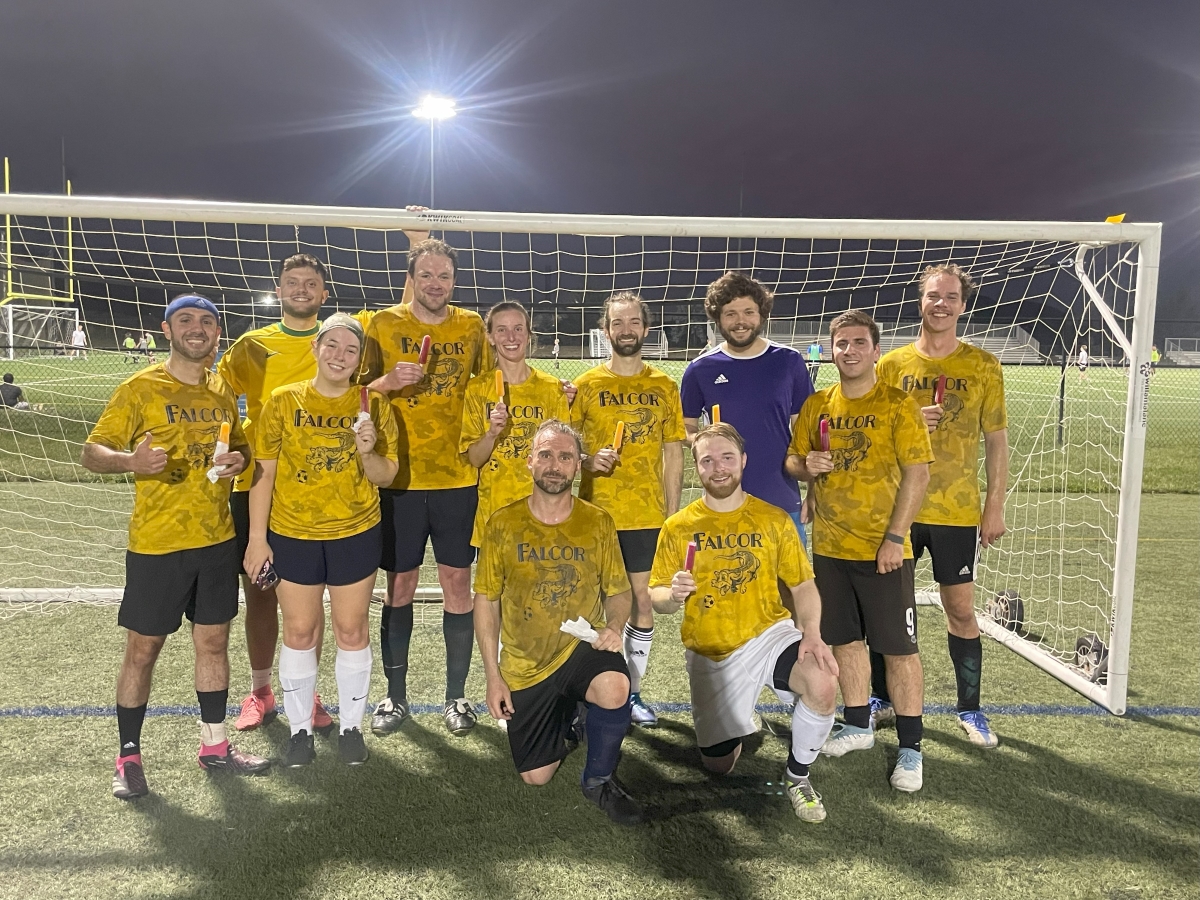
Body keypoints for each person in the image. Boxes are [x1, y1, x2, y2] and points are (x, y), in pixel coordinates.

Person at [81, 293, 271, 800]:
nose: (197, 328)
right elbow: (92, 452)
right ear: (166, 330)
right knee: (143, 650)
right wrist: (129, 464)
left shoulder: (223, 389)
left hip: (216, 543)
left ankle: (214, 745)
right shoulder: (139, 388)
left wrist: (237, 461)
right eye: (185, 320)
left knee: (213, 644)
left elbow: (243, 448)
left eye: (207, 322)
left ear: (216, 333)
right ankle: (128, 756)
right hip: (158, 545)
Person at [649, 423, 838, 822]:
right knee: (719, 765)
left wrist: (814, 635)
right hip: (712, 650)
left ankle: (797, 777)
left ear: (743, 462)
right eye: (707, 460)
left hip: (769, 633)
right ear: (695, 469)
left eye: (727, 458)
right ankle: (740, 721)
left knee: (821, 679)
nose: (718, 468)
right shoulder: (678, 527)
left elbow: (803, 585)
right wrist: (673, 594)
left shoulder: (771, 519)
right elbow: (656, 599)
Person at [785, 309, 932, 792]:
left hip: (883, 549)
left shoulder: (897, 404)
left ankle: (911, 749)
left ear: (875, 350)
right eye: (840, 343)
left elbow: (918, 473)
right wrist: (807, 465)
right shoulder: (817, 405)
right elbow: (792, 460)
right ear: (831, 350)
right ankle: (857, 725)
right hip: (829, 547)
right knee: (844, 641)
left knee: (898, 648)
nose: (849, 351)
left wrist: (895, 537)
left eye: (858, 343)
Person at [243, 314, 400, 768]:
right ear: (315, 348)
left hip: (356, 532)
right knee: (300, 632)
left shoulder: (372, 404)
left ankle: (351, 727)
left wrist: (368, 452)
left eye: (350, 350)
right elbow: (264, 471)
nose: (340, 356)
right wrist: (257, 539)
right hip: (293, 534)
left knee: (352, 630)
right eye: (332, 345)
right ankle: (299, 733)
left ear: (360, 360)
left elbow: (388, 476)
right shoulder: (283, 400)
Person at [472, 420, 643, 825]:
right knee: (536, 777)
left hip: (578, 647)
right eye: (546, 455)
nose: (554, 465)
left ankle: (599, 780)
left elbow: (619, 591)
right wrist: (493, 675)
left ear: (578, 466)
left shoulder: (597, 521)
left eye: (565, 457)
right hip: (526, 662)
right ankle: (573, 716)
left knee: (615, 686)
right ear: (529, 462)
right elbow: (486, 601)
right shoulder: (502, 523)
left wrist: (614, 627)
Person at [358, 238, 495, 737]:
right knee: (400, 587)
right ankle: (395, 699)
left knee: (459, 588)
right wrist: (386, 382)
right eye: (427, 275)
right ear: (411, 278)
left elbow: (492, 385)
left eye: (445, 276)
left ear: (454, 281)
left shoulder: (471, 326)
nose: (436, 284)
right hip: (400, 478)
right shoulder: (383, 324)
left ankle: (455, 697)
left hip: (459, 477)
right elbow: (354, 389)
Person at [873, 264, 1008, 749]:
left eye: (951, 297)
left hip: (955, 511)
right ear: (921, 301)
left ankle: (970, 708)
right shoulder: (891, 367)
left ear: (962, 305)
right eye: (933, 296)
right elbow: (872, 436)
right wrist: (908, 419)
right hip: (897, 511)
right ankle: (878, 697)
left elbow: (996, 441)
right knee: (885, 608)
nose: (941, 304)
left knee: (960, 609)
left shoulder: (983, 366)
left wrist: (994, 506)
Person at [217, 253, 339, 735]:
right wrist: (226, 450)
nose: (303, 290)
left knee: (312, 599)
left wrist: (417, 239)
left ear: (324, 293)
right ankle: (263, 690)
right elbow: (217, 398)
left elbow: (407, 307)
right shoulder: (252, 345)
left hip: (321, 492)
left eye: (312, 283)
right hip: (260, 487)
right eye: (294, 283)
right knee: (261, 593)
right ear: (280, 289)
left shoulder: (340, 341)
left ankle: (307, 692)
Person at [570, 292, 684, 727]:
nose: (626, 330)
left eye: (634, 322)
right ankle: (585, 691)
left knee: (641, 601)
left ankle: (632, 692)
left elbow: (674, 453)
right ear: (606, 330)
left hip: (646, 517)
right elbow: (567, 448)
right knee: (590, 602)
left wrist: (672, 515)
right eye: (618, 323)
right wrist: (586, 460)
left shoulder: (663, 386)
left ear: (646, 329)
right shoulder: (585, 386)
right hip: (594, 515)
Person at [681, 272, 815, 548]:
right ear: (717, 318)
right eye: (730, 314)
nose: (740, 321)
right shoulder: (700, 369)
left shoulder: (788, 362)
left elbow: (808, 435)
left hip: (780, 498)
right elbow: (685, 426)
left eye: (748, 312)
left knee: (792, 587)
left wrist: (814, 490)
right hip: (723, 501)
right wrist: (707, 443)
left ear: (762, 314)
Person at [461, 301, 570, 550]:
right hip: (494, 514)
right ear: (490, 337)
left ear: (529, 334)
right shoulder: (477, 389)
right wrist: (491, 434)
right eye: (501, 330)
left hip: (543, 513)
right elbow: (475, 460)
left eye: (518, 329)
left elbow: (564, 458)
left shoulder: (551, 389)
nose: (511, 337)